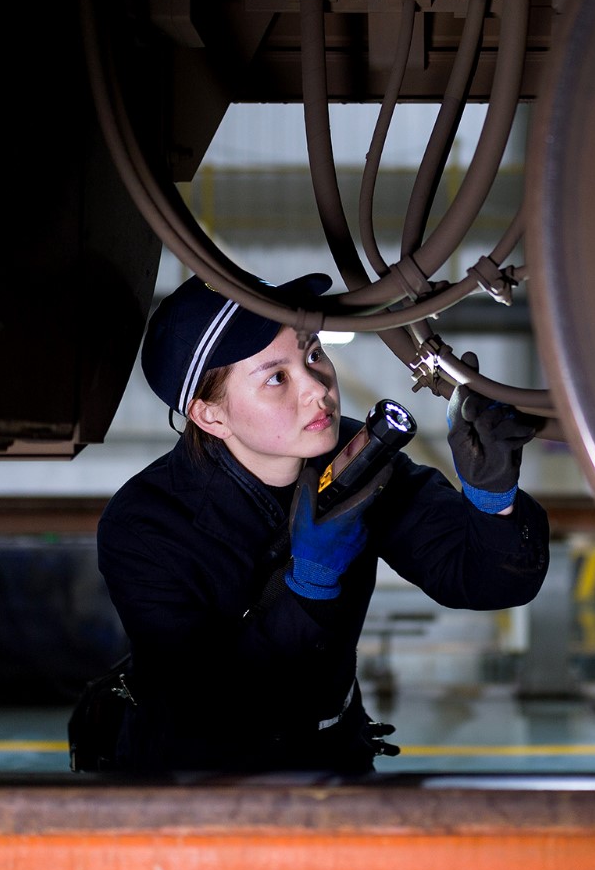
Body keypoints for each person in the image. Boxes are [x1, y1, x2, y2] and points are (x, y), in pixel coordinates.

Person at [96, 273, 550, 773]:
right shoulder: (145, 526)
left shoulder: (363, 462)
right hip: (197, 779)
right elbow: (208, 707)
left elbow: (481, 579)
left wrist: (492, 498)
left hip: (335, 753)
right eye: (276, 377)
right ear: (211, 416)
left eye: (313, 353)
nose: (318, 388)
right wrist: (309, 585)